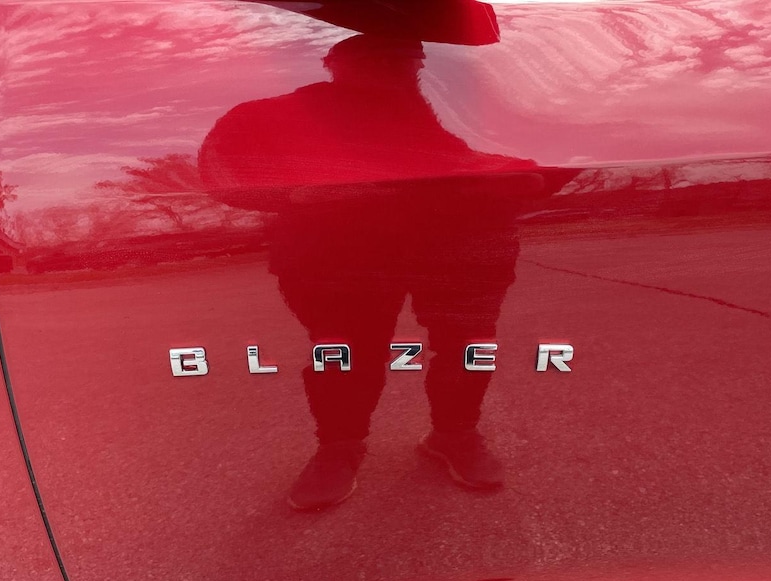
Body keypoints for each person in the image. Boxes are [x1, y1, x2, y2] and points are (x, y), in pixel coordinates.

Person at [200, 33, 543, 510]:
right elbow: (220, 172)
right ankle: (338, 448)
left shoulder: (458, 115)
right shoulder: (270, 115)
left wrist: (526, 178)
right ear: (333, 65)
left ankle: (455, 434)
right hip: (338, 253)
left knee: (468, 345)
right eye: (375, 62)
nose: (393, 72)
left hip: (462, 244)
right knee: (343, 351)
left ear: (419, 65)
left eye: (404, 61)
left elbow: (537, 163)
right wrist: (295, 193)